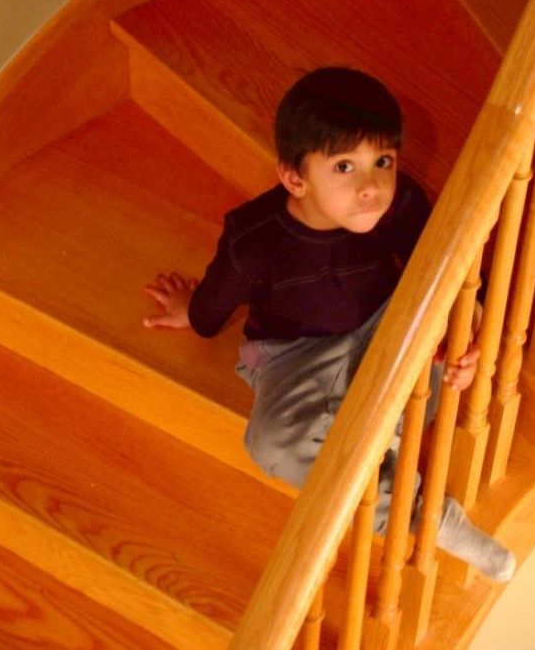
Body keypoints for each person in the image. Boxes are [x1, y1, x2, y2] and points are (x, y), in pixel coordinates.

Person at [143, 67, 515, 582]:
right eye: (344, 167)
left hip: (383, 325)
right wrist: (193, 311)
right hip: (296, 356)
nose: (370, 187)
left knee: (448, 312)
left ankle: (375, 434)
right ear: (295, 177)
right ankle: (428, 517)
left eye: (382, 161)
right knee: (271, 443)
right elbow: (213, 309)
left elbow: (448, 264)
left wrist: (466, 327)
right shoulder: (254, 239)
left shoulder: (399, 201)